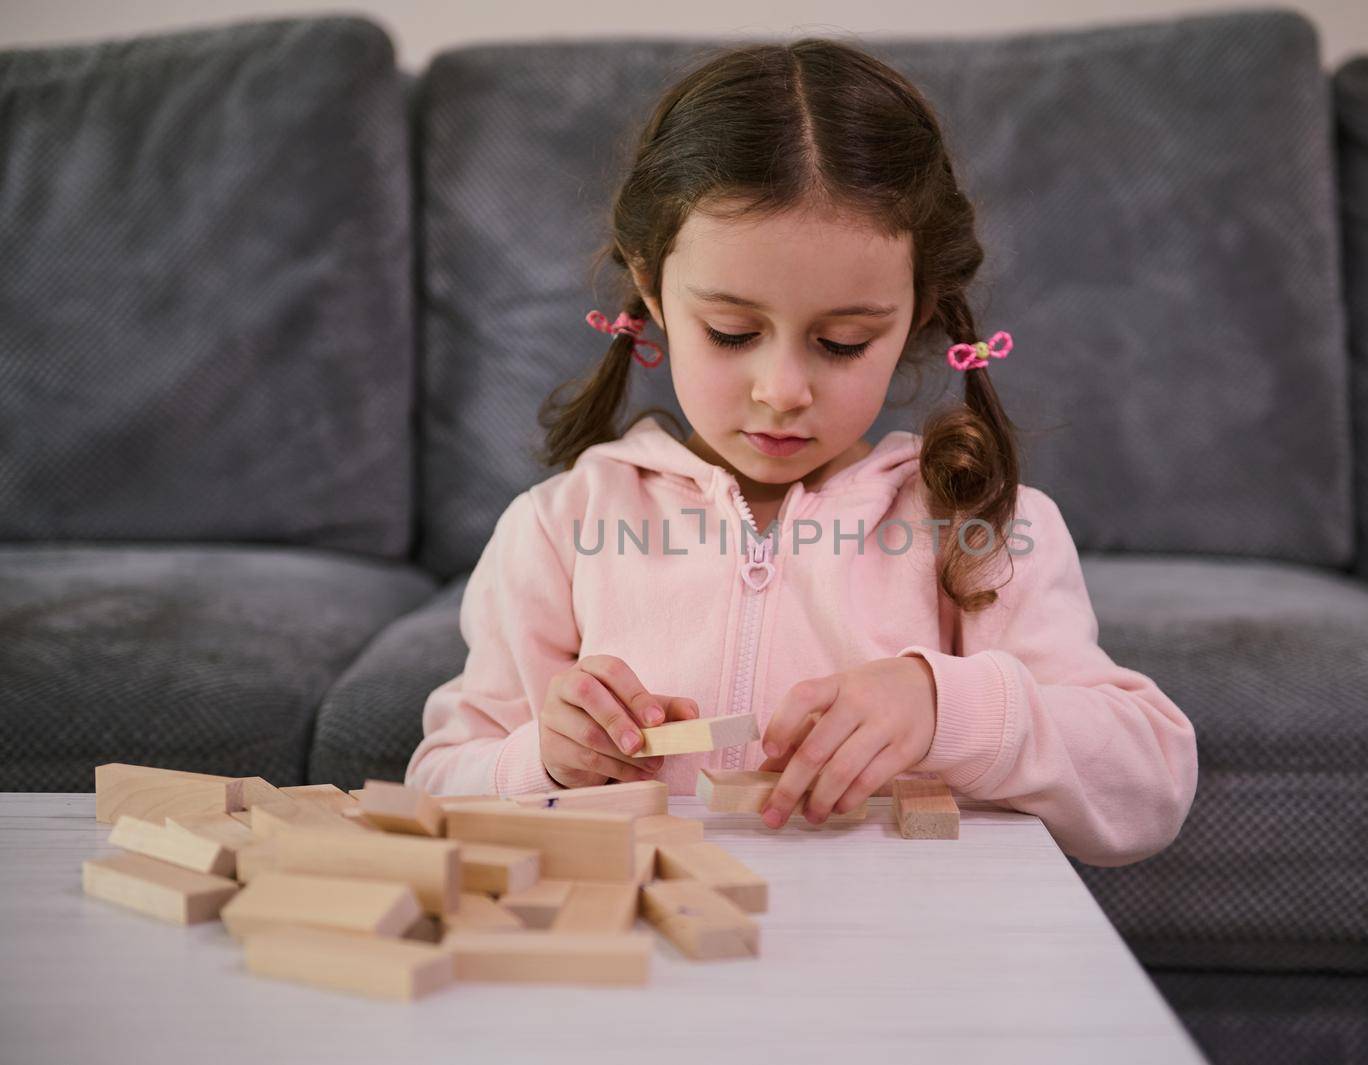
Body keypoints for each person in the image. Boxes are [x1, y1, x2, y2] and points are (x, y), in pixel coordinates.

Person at [405, 37, 1197, 866]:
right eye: (733, 332)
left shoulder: (977, 528)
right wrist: (539, 759)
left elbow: (1150, 781)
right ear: (651, 290)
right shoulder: (562, 529)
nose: (782, 388)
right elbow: (434, 782)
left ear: (919, 311)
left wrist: (943, 705)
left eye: (843, 341)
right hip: (653, 960)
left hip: (893, 967)